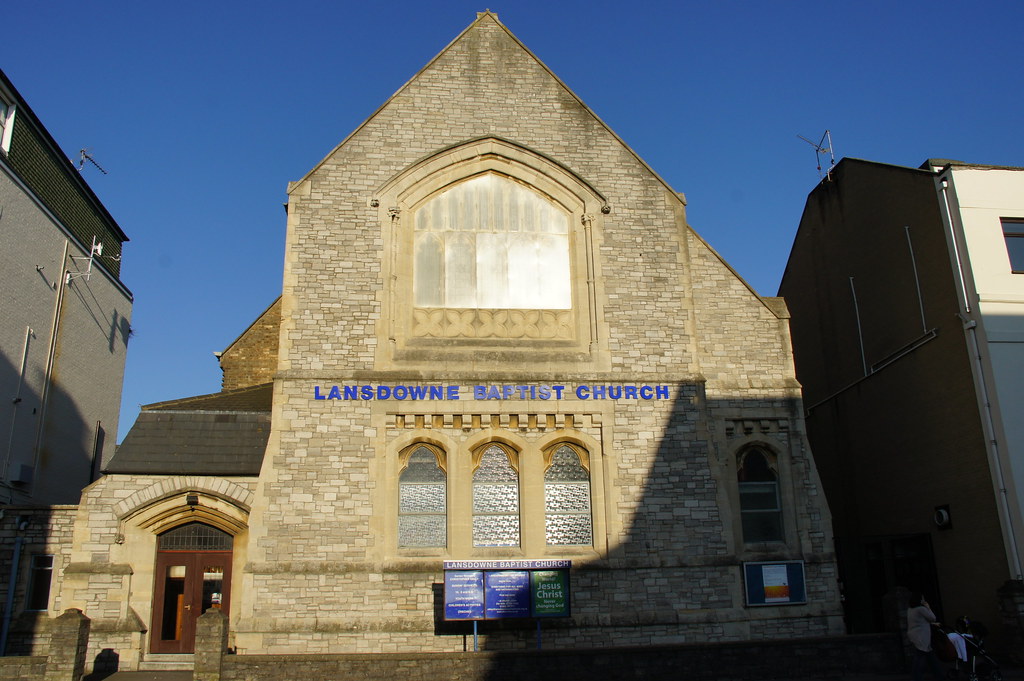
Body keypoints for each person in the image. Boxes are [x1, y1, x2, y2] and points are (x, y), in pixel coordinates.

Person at [907, 592, 947, 681]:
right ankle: (917, 677)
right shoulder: (921, 609)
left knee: (930, 656)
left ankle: (939, 675)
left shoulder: (911, 610)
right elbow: (932, 618)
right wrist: (928, 607)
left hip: (915, 635)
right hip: (922, 637)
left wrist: (932, 623)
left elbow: (920, 621)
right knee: (920, 657)